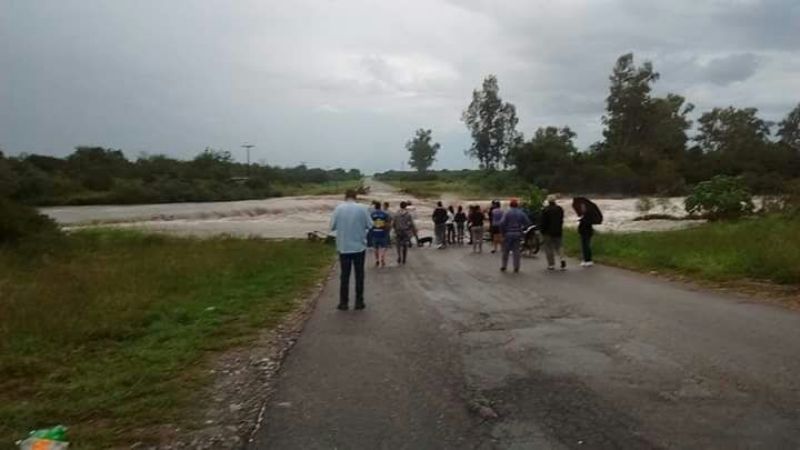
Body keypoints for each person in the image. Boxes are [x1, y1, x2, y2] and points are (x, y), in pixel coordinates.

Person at [330, 189, 373, 310]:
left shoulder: (338, 208)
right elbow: (370, 225)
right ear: (356, 196)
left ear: (345, 197)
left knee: (344, 276)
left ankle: (343, 303)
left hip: (343, 247)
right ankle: (359, 302)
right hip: (359, 247)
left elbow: (332, 226)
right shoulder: (363, 208)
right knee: (359, 275)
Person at [498, 198, 531, 273]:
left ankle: (504, 266)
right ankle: (516, 267)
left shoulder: (507, 213)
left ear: (510, 205)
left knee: (505, 251)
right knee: (516, 251)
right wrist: (522, 228)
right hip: (518, 233)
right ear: (517, 205)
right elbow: (528, 222)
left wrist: (502, 233)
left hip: (508, 233)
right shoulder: (521, 213)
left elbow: (502, 223)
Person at [540, 195, 566, 270]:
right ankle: (562, 259)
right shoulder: (560, 209)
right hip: (558, 231)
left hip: (548, 232)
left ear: (548, 201)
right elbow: (561, 220)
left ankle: (551, 264)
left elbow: (543, 222)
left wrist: (542, 231)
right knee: (559, 246)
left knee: (548, 247)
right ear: (555, 201)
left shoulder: (545, 210)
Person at [573, 199, 594, 267]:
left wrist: (582, 220)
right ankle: (585, 259)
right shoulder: (584, 215)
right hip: (584, 232)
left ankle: (588, 260)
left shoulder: (588, 215)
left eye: (583, 207)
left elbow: (586, 224)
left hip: (586, 232)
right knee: (584, 246)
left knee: (586, 246)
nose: (582, 208)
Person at [370, 202, 390, 267]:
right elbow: (387, 224)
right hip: (383, 233)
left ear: (375, 207)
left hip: (374, 233)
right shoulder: (384, 214)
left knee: (375, 247)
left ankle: (377, 260)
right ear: (380, 207)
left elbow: (369, 224)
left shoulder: (372, 214)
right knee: (384, 247)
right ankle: (382, 257)